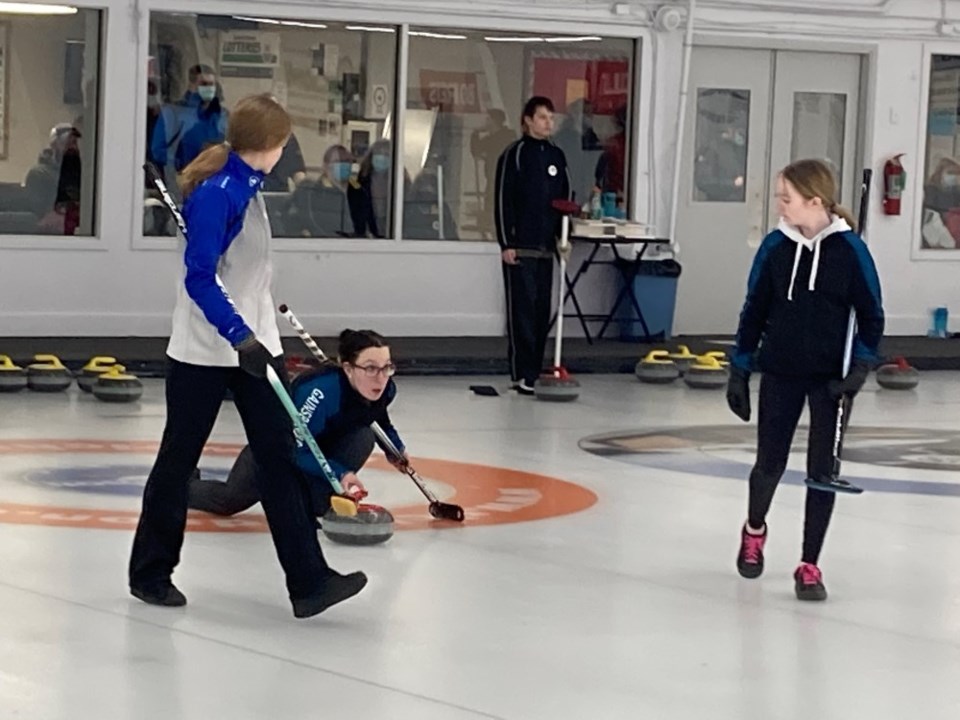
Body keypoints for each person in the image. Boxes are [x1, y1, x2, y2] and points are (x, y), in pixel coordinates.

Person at [128, 94, 366, 619]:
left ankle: (309, 582)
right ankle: (150, 572)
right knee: (178, 461)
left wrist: (259, 340)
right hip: (206, 350)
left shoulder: (248, 188)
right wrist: (238, 334)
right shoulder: (218, 195)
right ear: (271, 145)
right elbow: (200, 278)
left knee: (278, 459)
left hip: (258, 348)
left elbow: (248, 278)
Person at [726, 158, 884, 602]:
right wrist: (740, 367)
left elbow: (872, 314)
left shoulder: (850, 251)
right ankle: (754, 530)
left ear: (814, 202)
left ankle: (810, 564)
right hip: (781, 370)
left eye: (786, 198)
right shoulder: (775, 247)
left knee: (822, 472)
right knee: (769, 463)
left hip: (831, 380)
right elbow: (753, 309)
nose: (779, 205)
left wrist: (860, 368)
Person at [188, 329, 407, 516]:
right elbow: (295, 449)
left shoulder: (386, 389)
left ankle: (317, 498)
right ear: (348, 368)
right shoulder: (319, 393)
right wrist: (341, 472)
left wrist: (395, 448)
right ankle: (177, 486)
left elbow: (378, 420)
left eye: (386, 367)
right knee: (229, 501)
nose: (380, 377)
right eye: (370, 368)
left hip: (323, 446)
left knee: (363, 436)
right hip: (279, 447)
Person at [494, 96, 570, 395]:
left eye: (551, 118)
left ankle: (537, 369)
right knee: (522, 312)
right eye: (542, 117)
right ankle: (521, 372)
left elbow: (564, 199)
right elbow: (503, 201)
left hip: (546, 248)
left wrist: (565, 237)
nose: (548, 123)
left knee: (542, 311)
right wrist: (506, 242)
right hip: (520, 247)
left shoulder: (557, 156)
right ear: (527, 120)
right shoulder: (514, 154)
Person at [149, 64, 229, 180]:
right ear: (192, 85)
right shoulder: (173, 113)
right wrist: (183, 163)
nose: (209, 88)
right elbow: (158, 151)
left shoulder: (222, 115)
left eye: (212, 84)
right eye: (204, 84)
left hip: (215, 179)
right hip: (182, 179)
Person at [285, 144, 356, 237]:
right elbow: (289, 219)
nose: (342, 166)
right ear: (325, 166)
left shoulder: (357, 192)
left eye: (347, 162)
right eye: (337, 162)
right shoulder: (308, 192)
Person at [470, 109, 516, 237]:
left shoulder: (502, 137)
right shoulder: (503, 136)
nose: (485, 122)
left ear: (494, 121)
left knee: (494, 209)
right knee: (492, 209)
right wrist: (475, 133)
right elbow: (476, 151)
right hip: (495, 179)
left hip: (500, 179)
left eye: (488, 119)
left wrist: (476, 133)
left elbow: (477, 150)